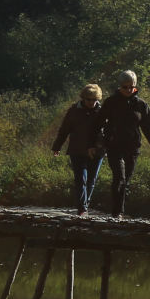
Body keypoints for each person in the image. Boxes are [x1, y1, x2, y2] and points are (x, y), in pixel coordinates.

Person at [95, 69, 150, 217]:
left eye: (131, 87)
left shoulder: (141, 105)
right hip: (114, 145)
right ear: (119, 86)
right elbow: (98, 122)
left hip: (132, 147)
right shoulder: (111, 102)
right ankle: (117, 212)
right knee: (119, 177)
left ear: (135, 86)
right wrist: (98, 142)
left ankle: (120, 211)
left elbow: (147, 128)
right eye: (124, 87)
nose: (128, 90)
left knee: (126, 181)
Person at [51, 83, 106, 216]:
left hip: (97, 151)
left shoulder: (103, 111)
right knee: (81, 179)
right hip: (77, 150)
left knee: (91, 180)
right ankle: (82, 209)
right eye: (89, 100)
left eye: (94, 100)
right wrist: (57, 146)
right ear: (83, 98)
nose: (92, 102)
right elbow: (64, 130)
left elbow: (108, 132)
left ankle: (85, 204)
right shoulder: (74, 111)